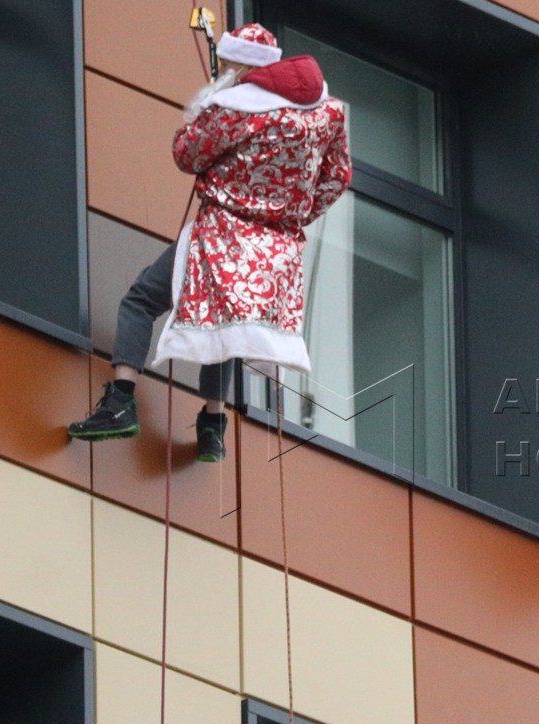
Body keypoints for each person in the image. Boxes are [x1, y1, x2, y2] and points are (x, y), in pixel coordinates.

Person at [68, 24, 352, 461]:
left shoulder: (237, 109)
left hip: (223, 234)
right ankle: (213, 425)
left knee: (142, 299)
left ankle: (120, 401)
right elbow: (337, 177)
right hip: (276, 253)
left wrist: (203, 108)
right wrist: (292, 216)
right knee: (228, 329)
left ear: (239, 65)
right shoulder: (325, 112)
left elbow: (187, 154)